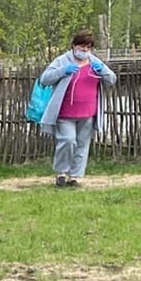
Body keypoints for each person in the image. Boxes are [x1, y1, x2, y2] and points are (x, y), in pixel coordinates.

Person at [36, 31, 117, 187]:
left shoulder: (94, 62)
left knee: (82, 144)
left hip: (87, 112)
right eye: (82, 46)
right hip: (65, 113)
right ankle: (61, 173)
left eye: (88, 47)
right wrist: (62, 71)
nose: (85, 50)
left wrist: (103, 70)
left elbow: (111, 80)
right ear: (74, 46)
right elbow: (44, 79)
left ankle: (75, 177)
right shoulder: (62, 61)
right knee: (67, 140)